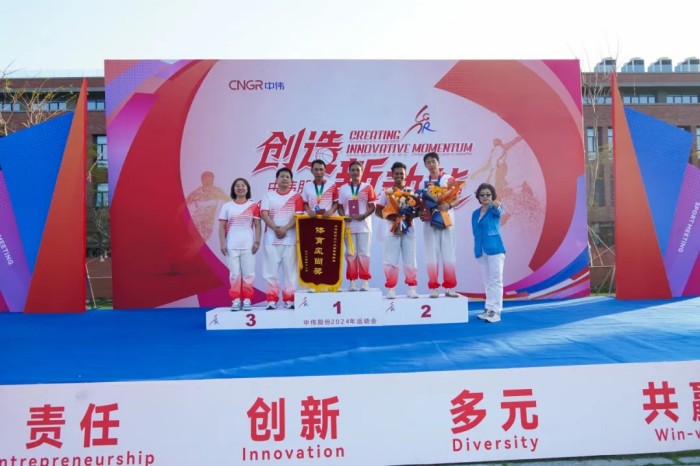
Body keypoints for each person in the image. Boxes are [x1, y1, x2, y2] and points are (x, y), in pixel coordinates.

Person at [260, 168, 304, 309]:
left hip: (290, 240)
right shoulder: (268, 196)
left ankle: (289, 299)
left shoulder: (296, 197)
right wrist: (276, 229)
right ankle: (271, 299)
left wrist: (285, 228)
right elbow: (264, 214)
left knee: (290, 272)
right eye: (282, 176)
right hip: (271, 240)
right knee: (270, 272)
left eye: (287, 177)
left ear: (291, 181)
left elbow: (298, 216)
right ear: (276, 179)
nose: (285, 179)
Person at [375, 162, 419, 299]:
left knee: (410, 259)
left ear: (406, 175)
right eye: (396, 173)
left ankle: (411, 288)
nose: (399, 176)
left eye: (401, 173)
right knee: (390, 260)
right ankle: (391, 289)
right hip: (392, 229)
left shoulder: (411, 192)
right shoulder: (387, 192)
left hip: (409, 229)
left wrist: (409, 216)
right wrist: (394, 217)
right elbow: (378, 211)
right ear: (392, 175)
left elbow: (418, 210)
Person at [218, 178, 261, 311]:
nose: (240, 188)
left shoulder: (253, 206)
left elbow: (257, 225)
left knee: (248, 274)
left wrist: (257, 242)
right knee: (234, 274)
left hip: (248, 246)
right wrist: (222, 243)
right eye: (237, 186)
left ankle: (247, 299)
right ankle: (236, 300)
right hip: (231, 246)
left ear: (247, 189)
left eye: (243, 186)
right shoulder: (227, 206)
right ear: (234, 189)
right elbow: (222, 226)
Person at [420, 152, 459, 298]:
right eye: (428, 162)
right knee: (431, 255)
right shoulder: (423, 182)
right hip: (430, 222)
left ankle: (450, 287)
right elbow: (421, 203)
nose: (431, 164)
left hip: (447, 221)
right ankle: (434, 287)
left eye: (433, 161)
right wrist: (423, 212)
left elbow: (456, 199)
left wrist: (448, 205)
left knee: (449, 254)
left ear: (438, 162)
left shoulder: (449, 179)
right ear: (425, 165)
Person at [337, 161, 376, 291]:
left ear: (362, 172)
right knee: (350, 253)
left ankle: (365, 280)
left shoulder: (368, 187)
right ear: (349, 172)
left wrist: (363, 216)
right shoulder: (343, 188)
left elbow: (372, 207)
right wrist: (344, 216)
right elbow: (340, 207)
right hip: (349, 226)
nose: (355, 172)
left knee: (364, 253)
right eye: (352, 170)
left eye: (357, 170)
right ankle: (352, 280)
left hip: (364, 225)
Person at [471, 183, 505, 323]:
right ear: (478, 197)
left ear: (492, 196)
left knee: (496, 280)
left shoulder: (494, 209)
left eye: (488, 194)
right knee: (487, 281)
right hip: (481, 249)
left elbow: (499, 211)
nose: (485, 197)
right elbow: (476, 232)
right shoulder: (475, 213)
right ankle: (488, 308)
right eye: (482, 195)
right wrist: (477, 248)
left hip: (495, 248)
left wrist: (497, 205)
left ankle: (496, 311)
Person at [186, 171, 230, 240]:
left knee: (202, 241)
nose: (208, 181)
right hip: (195, 221)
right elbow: (185, 203)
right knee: (193, 239)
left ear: (213, 180)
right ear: (202, 180)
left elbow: (228, 200)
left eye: (210, 178)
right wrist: (178, 214)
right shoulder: (197, 193)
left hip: (208, 223)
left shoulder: (217, 191)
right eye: (205, 178)